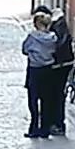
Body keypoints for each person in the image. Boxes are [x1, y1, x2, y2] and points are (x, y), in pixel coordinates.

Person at [22, 8, 57, 137]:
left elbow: (24, 49)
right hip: (48, 71)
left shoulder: (32, 37)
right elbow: (55, 51)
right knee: (46, 99)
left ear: (37, 23)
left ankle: (34, 127)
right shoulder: (53, 37)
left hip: (34, 70)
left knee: (33, 100)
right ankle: (45, 129)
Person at [47, 11, 75, 134]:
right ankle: (57, 123)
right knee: (58, 95)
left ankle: (56, 123)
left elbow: (58, 45)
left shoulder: (58, 27)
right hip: (64, 65)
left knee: (55, 95)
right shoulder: (62, 26)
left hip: (59, 66)